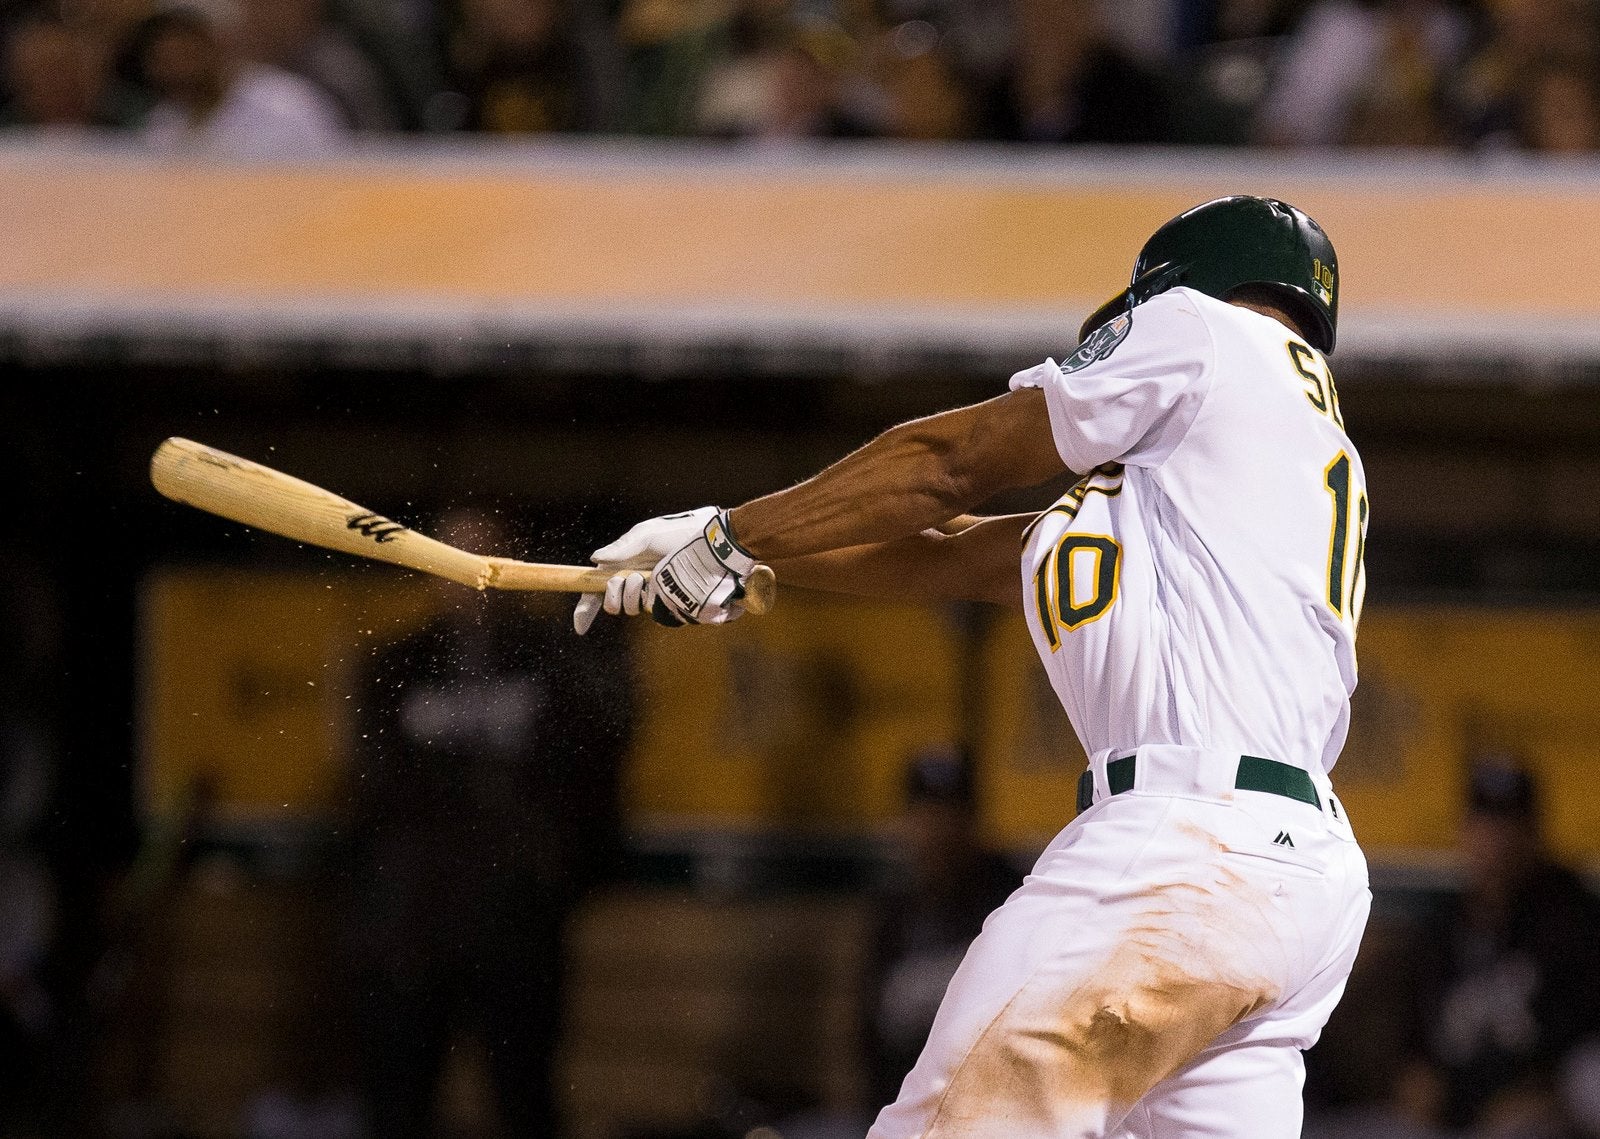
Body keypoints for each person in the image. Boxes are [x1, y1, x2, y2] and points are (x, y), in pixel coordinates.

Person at [575, 195, 1372, 1137]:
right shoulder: (1244, 473)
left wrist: (733, 538)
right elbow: (949, 552)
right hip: (1299, 885)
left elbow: (952, 463)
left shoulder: (1202, 328)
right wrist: (728, 545)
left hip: (1184, 848)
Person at [346, 508, 633, 1138]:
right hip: (412, 927)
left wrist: (553, 877)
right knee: (397, 1101)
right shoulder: (395, 664)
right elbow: (370, 795)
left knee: (523, 1096)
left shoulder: (556, 659)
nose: (465, 578)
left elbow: (592, 779)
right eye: (449, 558)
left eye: (480, 558)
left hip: (515, 922)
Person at [1407, 756, 1600, 1131]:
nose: (1496, 839)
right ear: (1465, 830)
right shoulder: (1444, 924)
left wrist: (1546, 1094)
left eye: (1509, 824)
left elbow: (1583, 1034)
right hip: (1460, 1110)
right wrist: (1416, 1073)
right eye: (1484, 823)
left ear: (1533, 833)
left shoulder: (1573, 916)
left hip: (1546, 1105)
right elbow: (1417, 1040)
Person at [862, 746, 1020, 1114]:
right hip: (902, 1106)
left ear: (972, 820)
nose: (937, 830)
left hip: (986, 1106)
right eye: (925, 815)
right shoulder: (895, 910)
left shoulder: (1011, 898)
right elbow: (869, 1033)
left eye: (950, 814)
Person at [129, 0, 348, 158]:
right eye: (163, 58)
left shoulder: (287, 107)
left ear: (218, 43)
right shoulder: (162, 124)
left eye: (186, 53)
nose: (176, 69)